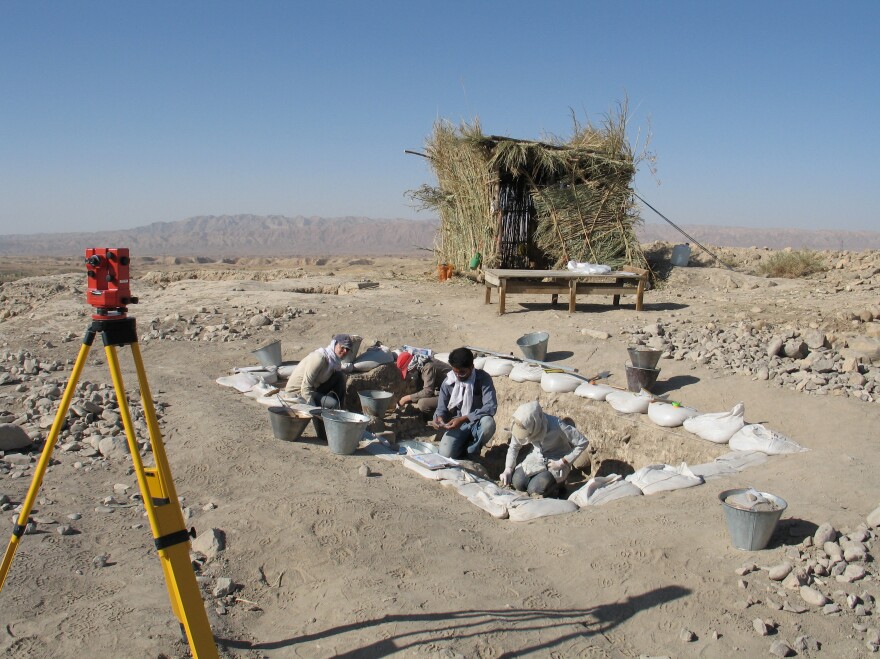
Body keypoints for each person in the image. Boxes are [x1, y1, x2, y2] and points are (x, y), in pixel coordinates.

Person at [500, 400, 589, 497]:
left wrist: (563, 461)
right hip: (536, 458)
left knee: (535, 489)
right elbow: (514, 447)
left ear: (535, 424)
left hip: (556, 461)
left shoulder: (556, 425)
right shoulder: (521, 424)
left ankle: (559, 485)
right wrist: (508, 469)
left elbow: (583, 442)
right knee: (518, 482)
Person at [433, 347, 497, 459]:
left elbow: (490, 407)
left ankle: (472, 450)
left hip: (476, 423)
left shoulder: (483, 379)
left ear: (471, 367)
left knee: (488, 423)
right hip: (456, 426)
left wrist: (464, 418)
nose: (458, 376)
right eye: (455, 372)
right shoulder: (448, 382)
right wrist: (438, 418)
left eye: (462, 372)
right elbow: (441, 409)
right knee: (445, 454)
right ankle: (461, 450)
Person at [285, 334, 355, 409]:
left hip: (314, 388)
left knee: (339, 376)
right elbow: (305, 387)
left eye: (347, 349)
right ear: (334, 344)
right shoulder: (319, 358)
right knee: (333, 404)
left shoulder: (335, 362)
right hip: (298, 392)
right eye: (342, 347)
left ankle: (342, 409)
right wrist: (313, 409)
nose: (344, 351)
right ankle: (332, 416)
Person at [395, 350, 451, 418]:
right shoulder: (420, 365)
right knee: (418, 397)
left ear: (411, 364)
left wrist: (405, 399)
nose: (409, 373)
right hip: (441, 390)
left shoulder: (428, 367)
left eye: (408, 371)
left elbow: (427, 392)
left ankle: (445, 416)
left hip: (451, 394)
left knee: (422, 403)